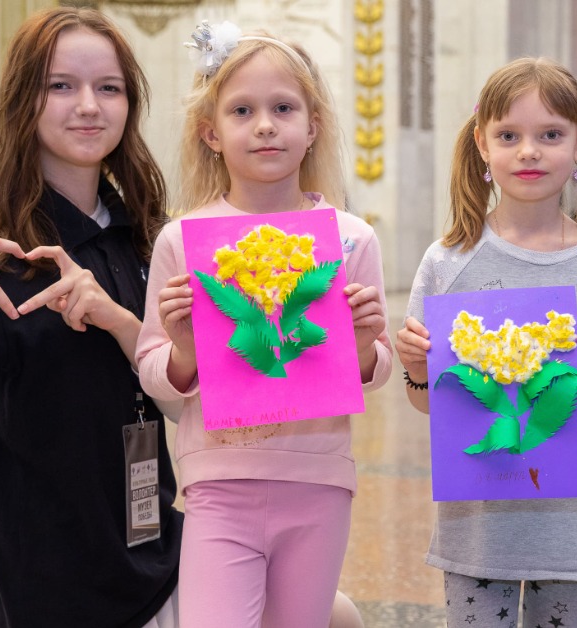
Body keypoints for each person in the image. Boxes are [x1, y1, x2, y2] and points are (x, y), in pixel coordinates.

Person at [0, 8, 184, 627]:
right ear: (22, 102)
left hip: (158, 558)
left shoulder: (149, 242)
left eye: (108, 88)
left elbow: (191, 399)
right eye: (61, 86)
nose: (89, 105)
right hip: (43, 589)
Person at [134, 21, 391, 628]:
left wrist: (362, 345)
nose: (266, 125)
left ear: (313, 127)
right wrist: (182, 349)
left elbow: (373, 371)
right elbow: (153, 373)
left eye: (284, 108)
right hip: (219, 482)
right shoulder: (183, 241)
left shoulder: (350, 240)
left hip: (319, 479)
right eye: (242, 110)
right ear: (212, 133)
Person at [395, 58, 577, 628]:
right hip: (478, 520)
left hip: (570, 521)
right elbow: (427, 401)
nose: (528, 151)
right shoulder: (448, 262)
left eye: (550, 135)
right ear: (482, 145)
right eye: (508, 135)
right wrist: (418, 367)